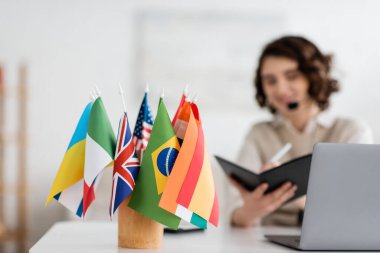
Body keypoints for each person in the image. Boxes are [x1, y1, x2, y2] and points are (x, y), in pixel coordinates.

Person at [230, 36, 373, 228]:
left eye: (292, 76)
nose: (281, 89)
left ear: (312, 77)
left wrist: (287, 189)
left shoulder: (350, 131)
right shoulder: (259, 134)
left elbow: (355, 210)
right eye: (271, 81)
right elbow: (236, 215)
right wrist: (250, 211)